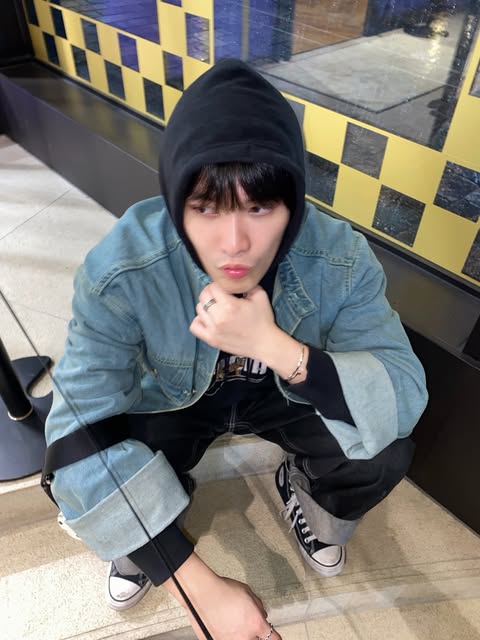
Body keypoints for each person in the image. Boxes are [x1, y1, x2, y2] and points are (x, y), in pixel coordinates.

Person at [43, 59, 428, 640]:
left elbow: (403, 391)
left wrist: (274, 346)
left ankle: (304, 492)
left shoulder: (339, 256)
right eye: (206, 207)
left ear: (293, 204)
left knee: (385, 445)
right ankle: (142, 540)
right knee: (97, 458)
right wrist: (190, 582)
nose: (234, 244)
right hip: (171, 400)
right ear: (175, 200)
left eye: (259, 207)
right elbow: (72, 433)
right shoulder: (123, 265)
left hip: (284, 393)